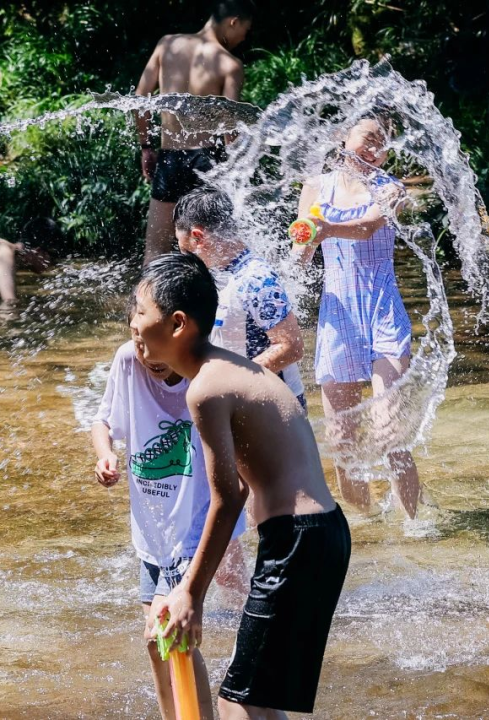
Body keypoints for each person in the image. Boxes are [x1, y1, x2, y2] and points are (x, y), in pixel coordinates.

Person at [134, 253, 351, 718]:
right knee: (257, 701)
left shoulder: (206, 389)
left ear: (176, 325)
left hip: (299, 539)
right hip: (317, 535)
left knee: (240, 707)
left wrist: (190, 592)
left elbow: (228, 498)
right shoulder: (228, 368)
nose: (133, 324)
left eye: (139, 311)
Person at [91, 299, 247, 720]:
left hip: (192, 522)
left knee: (164, 631)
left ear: (176, 332)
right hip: (153, 527)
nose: (145, 354)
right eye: (135, 340)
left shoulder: (206, 378)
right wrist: (105, 454)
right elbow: (102, 420)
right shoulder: (128, 361)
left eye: (149, 342)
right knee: (160, 640)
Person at [292, 116, 420, 519]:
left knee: (389, 431)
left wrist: (325, 228)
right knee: (342, 443)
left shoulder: (391, 188)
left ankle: (416, 529)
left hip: (382, 310)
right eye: (367, 139)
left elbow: (367, 229)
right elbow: (301, 251)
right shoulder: (315, 187)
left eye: (382, 144)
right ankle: (368, 527)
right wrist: (303, 247)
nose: (374, 149)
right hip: (338, 315)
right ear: (342, 138)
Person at [135, 0, 254, 265]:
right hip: (207, 160)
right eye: (245, 30)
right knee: (212, 250)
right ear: (233, 22)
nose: (244, 38)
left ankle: (144, 305)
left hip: (169, 157)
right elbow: (228, 128)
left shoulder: (167, 45)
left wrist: (146, 146)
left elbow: (140, 98)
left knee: (155, 250)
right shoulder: (229, 64)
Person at [173, 188, 307, 408]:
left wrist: (230, 381)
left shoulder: (256, 279)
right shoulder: (221, 273)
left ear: (198, 237)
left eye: (186, 251)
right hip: (242, 400)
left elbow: (291, 346)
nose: (187, 260)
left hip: (274, 406)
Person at [0, 221, 55, 308]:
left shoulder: (4, 249)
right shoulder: (5, 254)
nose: (51, 264)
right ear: (39, 252)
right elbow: (9, 301)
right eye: (53, 256)